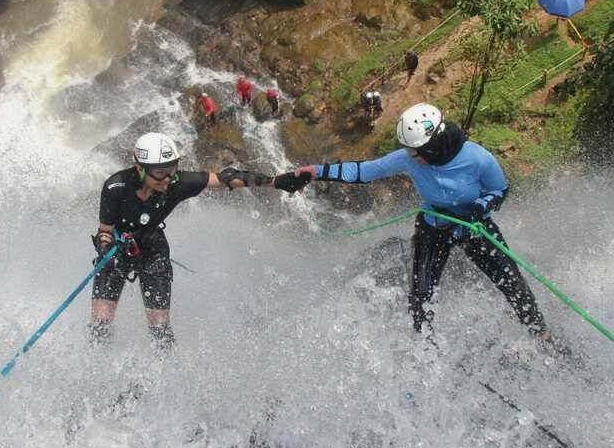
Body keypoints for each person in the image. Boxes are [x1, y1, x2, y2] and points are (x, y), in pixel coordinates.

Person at [291, 103, 557, 348]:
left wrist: (476, 210)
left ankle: (541, 333)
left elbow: (499, 189)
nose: (411, 157)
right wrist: (314, 171)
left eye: (415, 151)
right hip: (434, 225)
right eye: (409, 150)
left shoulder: (477, 158)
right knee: (420, 294)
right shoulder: (410, 157)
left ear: (433, 145)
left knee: (510, 280)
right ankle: (424, 346)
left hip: (474, 224)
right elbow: (364, 171)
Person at [91, 132, 311, 351]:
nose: (168, 179)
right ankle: (99, 369)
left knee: (160, 328)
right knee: (100, 324)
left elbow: (226, 178)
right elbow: (104, 232)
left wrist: (276, 182)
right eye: (160, 173)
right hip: (116, 253)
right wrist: (107, 248)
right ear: (140, 168)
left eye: (172, 170)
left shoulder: (177, 183)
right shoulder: (116, 187)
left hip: (153, 248)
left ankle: (161, 374)